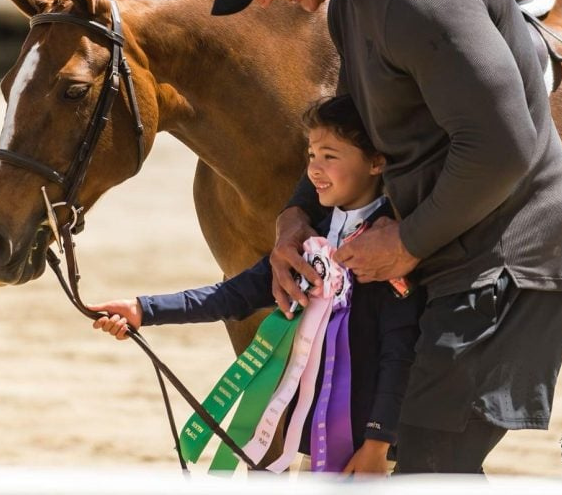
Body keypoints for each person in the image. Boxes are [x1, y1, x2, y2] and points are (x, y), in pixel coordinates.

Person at [196, 0, 562, 474]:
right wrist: (298, 213)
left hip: (512, 259)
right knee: (400, 455)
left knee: (429, 462)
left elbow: (503, 147)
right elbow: (356, 130)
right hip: (456, 248)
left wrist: (408, 240)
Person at [90, 95, 425, 475]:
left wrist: (377, 445)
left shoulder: (387, 253)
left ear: (376, 162)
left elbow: (399, 355)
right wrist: (142, 310)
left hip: (369, 444)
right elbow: (233, 295)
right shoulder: (308, 243)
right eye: (311, 156)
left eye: (330, 156)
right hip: (315, 435)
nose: (315, 169)